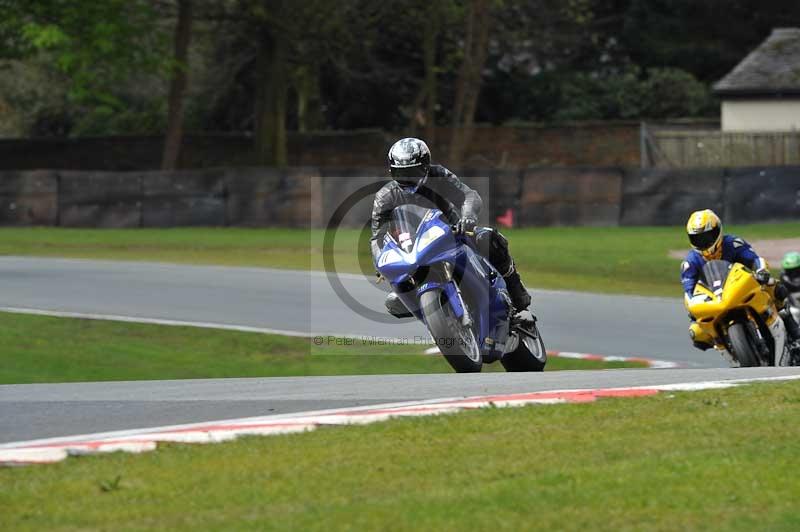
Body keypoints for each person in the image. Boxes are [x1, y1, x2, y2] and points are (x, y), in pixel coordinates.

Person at [371, 137, 532, 319]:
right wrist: (380, 260)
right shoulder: (385, 196)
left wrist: (468, 217)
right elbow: (378, 236)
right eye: (401, 174)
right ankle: (438, 321)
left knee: (490, 239)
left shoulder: (438, 176)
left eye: (413, 172)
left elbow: (468, 195)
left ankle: (519, 298)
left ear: (425, 166)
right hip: (412, 251)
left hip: (453, 234)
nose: (407, 179)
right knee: (394, 299)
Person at [681, 209, 800, 350]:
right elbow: (689, 290)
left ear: (718, 231)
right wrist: (692, 308)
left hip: (740, 288)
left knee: (775, 287)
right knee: (696, 333)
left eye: (707, 237)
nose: (704, 243)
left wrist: (761, 270)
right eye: (698, 239)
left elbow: (754, 259)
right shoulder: (690, 262)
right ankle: (726, 346)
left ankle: (795, 335)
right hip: (714, 300)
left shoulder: (733, 243)